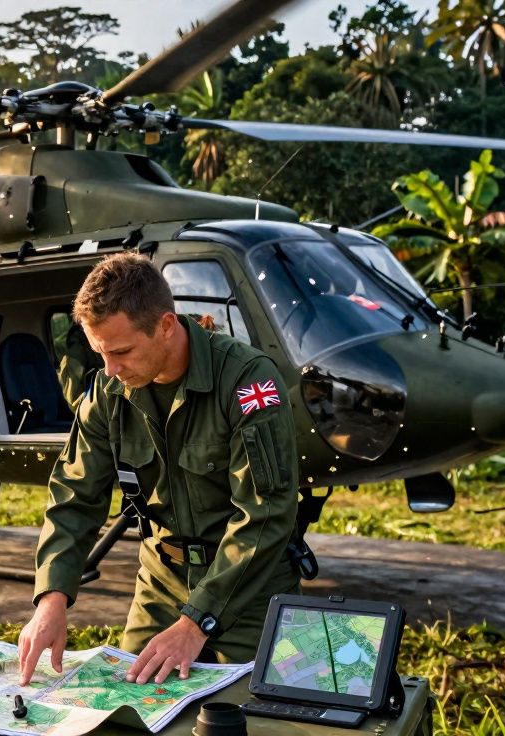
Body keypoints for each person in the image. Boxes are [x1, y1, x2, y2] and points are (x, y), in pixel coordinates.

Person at [18, 252, 301, 687]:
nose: (110, 369)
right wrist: (51, 600)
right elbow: (75, 494)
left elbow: (264, 514)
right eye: (101, 353)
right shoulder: (110, 391)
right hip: (161, 585)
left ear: (166, 326)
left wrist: (194, 625)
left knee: (244, 718)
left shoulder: (247, 381)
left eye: (122, 351)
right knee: (125, 710)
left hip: (247, 591)